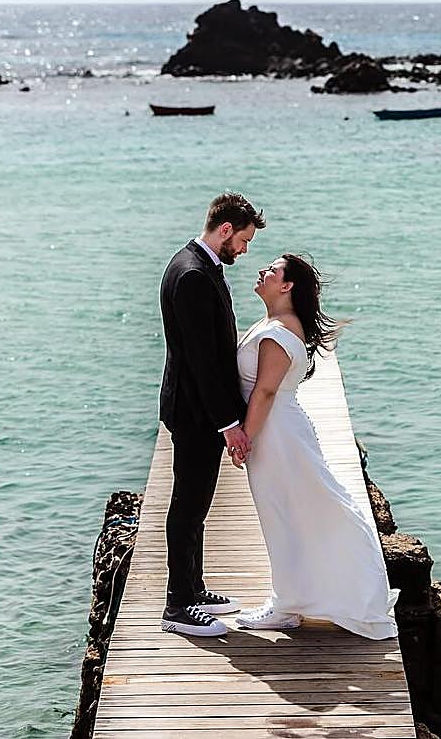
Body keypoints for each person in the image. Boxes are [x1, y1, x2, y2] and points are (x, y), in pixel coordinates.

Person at [231, 253, 400, 638]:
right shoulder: (277, 323)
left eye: (271, 271)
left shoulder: (278, 331)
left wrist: (245, 437)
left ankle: (288, 603)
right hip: (282, 431)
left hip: (277, 434)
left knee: (288, 514)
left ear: (286, 285)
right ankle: (291, 599)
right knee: (291, 514)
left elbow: (266, 391)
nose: (262, 272)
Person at [158, 192, 265, 636]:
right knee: (187, 504)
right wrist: (230, 424)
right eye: (243, 240)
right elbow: (203, 360)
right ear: (225, 230)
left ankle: (193, 587)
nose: (244, 250)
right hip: (196, 413)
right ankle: (177, 606)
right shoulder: (193, 276)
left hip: (197, 408)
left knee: (196, 504)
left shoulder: (196, 266)